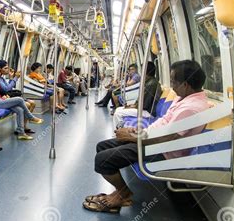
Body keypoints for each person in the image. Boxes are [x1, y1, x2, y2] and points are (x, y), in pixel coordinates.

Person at [83, 60, 210, 213]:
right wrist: (135, 132)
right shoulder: (183, 98)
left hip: (163, 152)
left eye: (173, 82)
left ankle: (124, 194)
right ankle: (121, 191)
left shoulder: (191, 109)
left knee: (102, 159)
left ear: (186, 85)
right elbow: (163, 123)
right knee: (102, 146)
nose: (171, 86)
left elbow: (166, 139)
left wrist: (132, 137)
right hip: (153, 141)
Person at [0, 66, 44, 140]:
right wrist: (4, 94)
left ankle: (21, 133)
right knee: (20, 99)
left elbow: (2, 90)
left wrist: (4, 94)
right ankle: (31, 117)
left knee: (20, 110)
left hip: (1, 100)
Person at [113, 62, 162, 129]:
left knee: (118, 113)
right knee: (118, 109)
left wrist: (134, 106)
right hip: (144, 109)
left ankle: (121, 131)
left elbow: (144, 105)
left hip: (148, 112)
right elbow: (142, 100)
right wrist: (133, 105)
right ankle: (120, 130)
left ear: (145, 71)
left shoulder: (151, 84)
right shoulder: (149, 82)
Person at [0, 60, 37, 134]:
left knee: (32, 103)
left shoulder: (2, 78)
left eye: (8, 68)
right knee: (27, 104)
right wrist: (15, 78)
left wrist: (11, 78)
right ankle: (27, 122)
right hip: (3, 99)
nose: (7, 70)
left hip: (8, 97)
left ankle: (24, 126)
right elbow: (6, 89)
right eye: (5, 68)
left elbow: (9, 89)